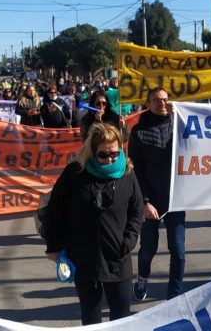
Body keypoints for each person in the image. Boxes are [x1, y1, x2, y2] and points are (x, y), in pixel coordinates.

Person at [44, 124, 144, 325]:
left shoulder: (127, 173)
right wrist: (54, 247)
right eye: (103, 155)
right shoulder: (75, 173)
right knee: (91, 315)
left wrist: (129, 241)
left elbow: (136, 210)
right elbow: (54, 211)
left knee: (122, 317)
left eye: (114, 154)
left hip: (118, 256)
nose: (110, 160)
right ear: (92, 151)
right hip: (84, 257)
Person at [129, 87, 184, 301]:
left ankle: (175, 296)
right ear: (148, 103)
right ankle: (142, 278)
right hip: (151, 201)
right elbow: (135, 171)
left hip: (176, 198)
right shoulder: (139, 131)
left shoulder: (179, 126)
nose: (162, 104)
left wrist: (178, 115)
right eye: (157, 100)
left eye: (165, 100)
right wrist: (144, 201)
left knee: (178, 251)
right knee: (148, 248)